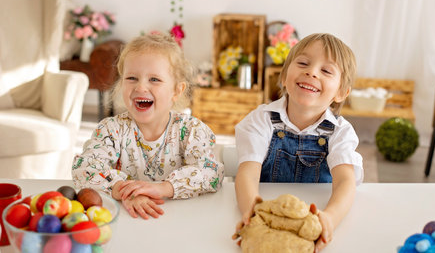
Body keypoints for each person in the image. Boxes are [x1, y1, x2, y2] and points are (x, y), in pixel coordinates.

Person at [233, 33, 363, 252]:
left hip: (314, 213)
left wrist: (329, 218)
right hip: (267, 211)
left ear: (341, 92)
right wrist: (253, 212)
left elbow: (345, 183)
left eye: (326, 71)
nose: (311, 72)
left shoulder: (341, 133)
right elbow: (248, 172)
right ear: (284, 77)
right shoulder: (261, 120)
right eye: (303, 63)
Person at [72, 33, 224, 219]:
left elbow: (211, 172)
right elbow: (84, 169)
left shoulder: (192, 131)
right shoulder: (111, 130)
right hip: (126, 219)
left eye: (154, 79)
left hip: (178, 220)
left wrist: (163, 188)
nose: (141, 87)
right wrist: (125, 190)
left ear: (177, 90)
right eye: (131, 78)